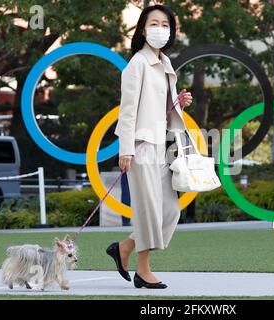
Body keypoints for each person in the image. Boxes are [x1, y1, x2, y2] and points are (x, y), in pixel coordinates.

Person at [106, 4, 193, 289]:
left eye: (165, 25)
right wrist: (126, 148)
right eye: (154, 24)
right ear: (143, 29)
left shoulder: (165, 64)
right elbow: (128, 110)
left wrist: (176, 102)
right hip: (141, 146)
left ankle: (124, 248)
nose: (160, 29)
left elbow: (157, 109)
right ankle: (143, 271)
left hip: (163, 146)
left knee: (169, 211)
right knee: (148, 211)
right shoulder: (138, 64)